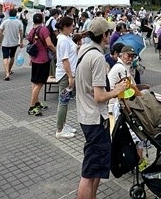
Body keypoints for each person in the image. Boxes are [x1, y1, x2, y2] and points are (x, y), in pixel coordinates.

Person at [75, 17, 127, 199]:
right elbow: (99, 96)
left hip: (86, 115)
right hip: (95, 119)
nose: (111, 35)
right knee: (89, 171)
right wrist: (117, 90)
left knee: (96, 167)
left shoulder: (84, 50)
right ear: (104, 35)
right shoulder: (96, 57)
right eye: (109, 32)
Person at [27, 12, 55, 116]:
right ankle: (32, 106)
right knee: (40, 83)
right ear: (42, 20)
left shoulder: (32, 30)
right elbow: (49, 43)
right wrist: (55, 50)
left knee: (34, 82)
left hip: (34, 60)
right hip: (43, 60)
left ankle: (36, 102)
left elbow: (30, 42)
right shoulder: (43, 29)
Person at [55, 16, 78, 139]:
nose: (73, 27)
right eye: (71, 26)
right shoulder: (63, 40)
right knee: (63, 101)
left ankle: (63, 124)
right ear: (65, 27)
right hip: (65, 74)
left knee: (65, 101)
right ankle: (59, 129)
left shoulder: (66, 38)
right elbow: (65, 60)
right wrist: (70, 76)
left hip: (68, 73)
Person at [0, 9, 24, 80]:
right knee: (12, 56)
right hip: (14, 43)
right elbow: (21, 33)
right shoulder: (19, 22)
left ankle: (7, 73)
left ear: (9, 14)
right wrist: (21, 42)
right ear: (15, 14)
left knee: (5, 57)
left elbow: (0, 32)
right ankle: (9, 70)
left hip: (5, 43)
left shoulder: (5, 22)